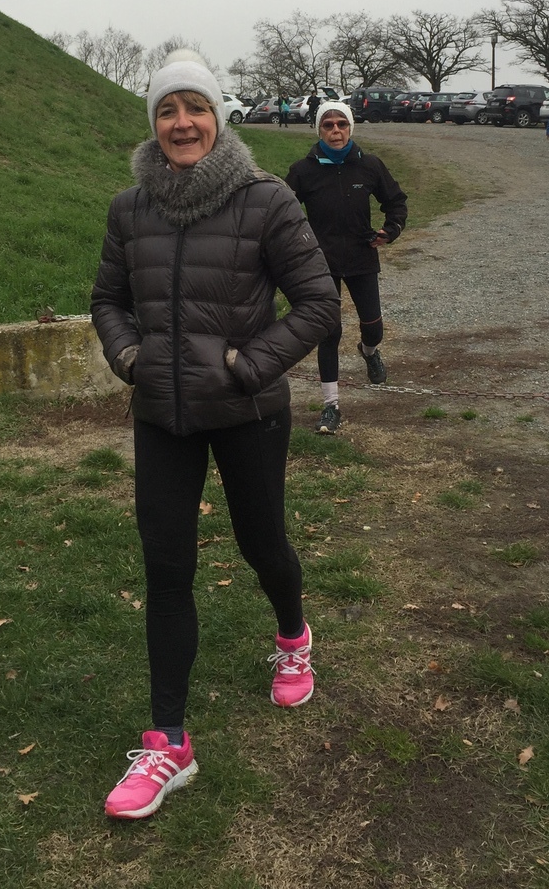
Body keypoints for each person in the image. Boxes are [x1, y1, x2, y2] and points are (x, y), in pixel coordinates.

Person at [90, 50, 339, 820]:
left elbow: (318, 302)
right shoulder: (130, 208)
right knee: (166, 569)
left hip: (247, 413)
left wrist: (247, 368)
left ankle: (293, 637)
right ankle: (168, 744)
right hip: (162, 416)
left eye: (194, 107)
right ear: (154, 123)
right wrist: (129, 358)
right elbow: (107, 300)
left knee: (264, 545)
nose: (182, 122)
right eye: (167, 110)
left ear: (217, 117)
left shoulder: (265, 200)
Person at [285, 102, 408, 434]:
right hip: (320, 263)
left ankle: (369, 352)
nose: (335, 131)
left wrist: (391, 230)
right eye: (328, 125)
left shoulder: (369, 165)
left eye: (341, 124)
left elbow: (396, 201)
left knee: (373, 328)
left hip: (361, 257)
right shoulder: (302, 170)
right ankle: (331, 406)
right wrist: (295, 244)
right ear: (319, 130)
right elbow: (281, 212)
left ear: (350, 127)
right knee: (329, 331)